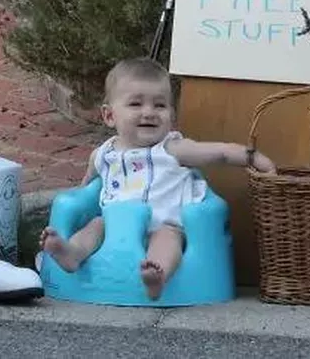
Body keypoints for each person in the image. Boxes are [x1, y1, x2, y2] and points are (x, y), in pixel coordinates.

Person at [39, 56, 276, 300]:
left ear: (171, 114)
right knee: (95, 225)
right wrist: (80, 199)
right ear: (109, 116)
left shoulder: (172, 149)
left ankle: (157, 274)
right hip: (114, 227)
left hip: (165, 225)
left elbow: (221, 153)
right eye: (136, 104)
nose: (149, 113)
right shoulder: (103, 154)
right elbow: (86, 188)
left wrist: (254, 157)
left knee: (168, 239)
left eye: (160, 105)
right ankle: (71, 254)